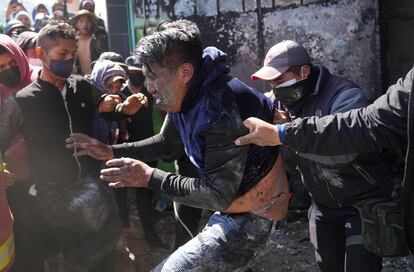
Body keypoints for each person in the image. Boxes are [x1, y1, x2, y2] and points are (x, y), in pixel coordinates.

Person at [67, 20, 290, 271]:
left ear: (184, 73)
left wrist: (147, 176)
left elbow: (217, 195)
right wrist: (111, 150)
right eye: (145, 75)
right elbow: (167, 143)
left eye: (153, 76)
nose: (149, 87)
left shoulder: (217, 107)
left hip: (256, 219)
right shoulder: (188, 89)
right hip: (232, 206)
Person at [0, 22, 145, 272]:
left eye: (72, 54)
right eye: (61, 54)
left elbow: (105, 108)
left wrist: (123, 109)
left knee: (103, 250)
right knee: (81, 247)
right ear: (41, 55)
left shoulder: (82, 87)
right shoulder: (23, 100)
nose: (68, 60)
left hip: (91, 184)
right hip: (54, 194)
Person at [242, 40, 396, 272]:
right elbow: (251, 116)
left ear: (303, 72)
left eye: (279, 80)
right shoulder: (280, 101)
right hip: (323, 206)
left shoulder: (346, 96)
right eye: (270, 82)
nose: (274, 88)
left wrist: (284, 134)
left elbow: (342, 154)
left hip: (362, 204)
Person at [70, 9, 108, 75]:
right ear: (76, 24)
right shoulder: (73, 43)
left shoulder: (97, 39)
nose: (85, 24)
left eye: (88, 22)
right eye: (81, 21)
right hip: (80, 80)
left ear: (92, 24)